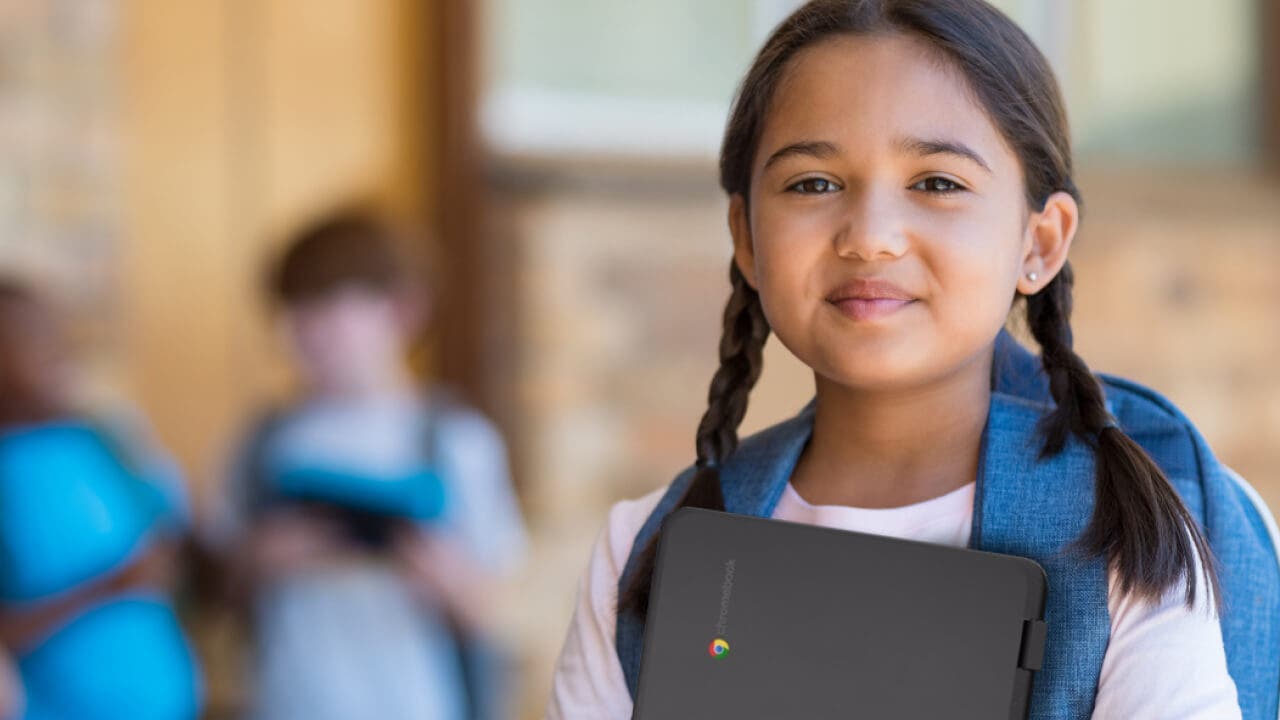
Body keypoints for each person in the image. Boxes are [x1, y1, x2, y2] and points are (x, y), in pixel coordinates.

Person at [546, 1, 1254, 717]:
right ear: (747, 237)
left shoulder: (1123, 533)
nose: (871, 237)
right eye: (813, 184)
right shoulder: (642, 547)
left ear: (1039, 243)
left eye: (937, 183)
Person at [205, 210, 528, 720]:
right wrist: (259, 560)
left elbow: (495, 610)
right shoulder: (260, 441)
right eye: (290, 311)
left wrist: (445, 580)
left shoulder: (457, 441)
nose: (301, 332)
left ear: (401, 309)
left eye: (324, 308)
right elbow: (216, 594)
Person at [0, 277, 202, 720]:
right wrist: (107, 587)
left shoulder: (103, 437)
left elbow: (170, 540)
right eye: (31, 336)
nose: (60, 351)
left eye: (58, 332)